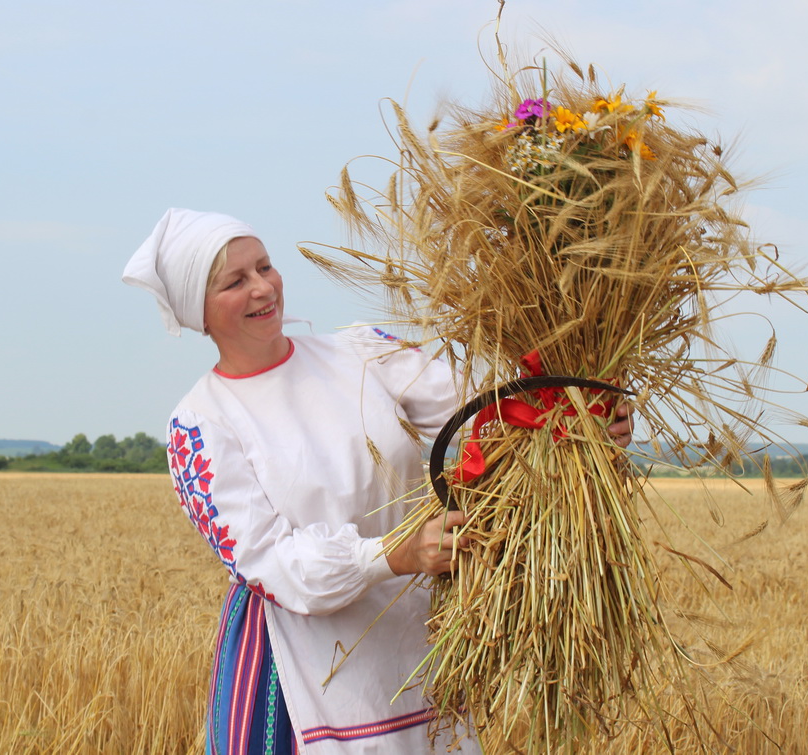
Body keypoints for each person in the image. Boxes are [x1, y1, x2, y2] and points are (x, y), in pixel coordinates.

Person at [123, 208, 633, 754]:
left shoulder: (361, 351)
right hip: (306, 665)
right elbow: (269, 561)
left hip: (419, 639)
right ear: (199, 312)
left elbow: (487, 412)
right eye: (236, 281)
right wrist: (395, 553)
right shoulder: (200, 424)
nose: (263, 288)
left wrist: (574, 416)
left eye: (265, 267)